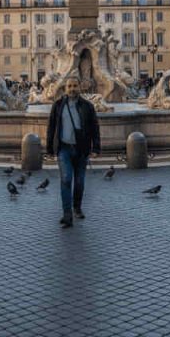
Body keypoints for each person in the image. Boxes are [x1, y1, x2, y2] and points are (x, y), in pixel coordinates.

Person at [46, 76, 101, 228]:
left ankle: (77, 207)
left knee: (79, 182)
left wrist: (96, 148)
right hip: (63, 148)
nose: (72, 89)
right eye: (69, 86)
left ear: (80, 87)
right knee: (66, 178)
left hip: (81, 149)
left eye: (75, 86)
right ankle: (67, 214)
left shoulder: (87, 106)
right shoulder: (58, 105)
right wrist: (50, 148)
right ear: (65, 88)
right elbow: (51, 127)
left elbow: (94, 127)